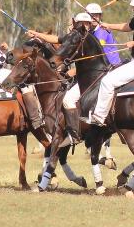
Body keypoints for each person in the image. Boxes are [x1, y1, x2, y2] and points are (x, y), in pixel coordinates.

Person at [27, 9, 122, 143]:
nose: (84, 26)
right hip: (88, 76)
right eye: (81, 23)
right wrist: (37, 34)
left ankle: (81, 131)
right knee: (67, 95)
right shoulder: (78, 36)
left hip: (103, 73)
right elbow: (56, 39)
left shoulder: (94, 37)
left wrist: (71, 71)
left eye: (86, 23)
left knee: (69, 99)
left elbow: (92, 63)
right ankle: (76, 131)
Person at [0, 10, 43, 130]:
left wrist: (1, 50)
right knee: (25, 83)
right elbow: (4, 59)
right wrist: (9, 50)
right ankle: (35, 120)